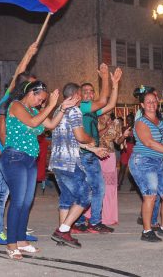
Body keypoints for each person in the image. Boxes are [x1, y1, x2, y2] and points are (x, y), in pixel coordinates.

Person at [0, 80, 76, 260]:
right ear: (31, 93)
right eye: (40, 99)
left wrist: (62, 108)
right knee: (17, 202)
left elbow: (50, 125)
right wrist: (50, 105)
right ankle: (11, 244)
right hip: (14, 157)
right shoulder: (16, 106)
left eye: (43, 101)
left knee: (27, 203)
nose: (40, 103)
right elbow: (34, 123)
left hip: (29, 160)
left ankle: (21, 240)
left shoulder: (35, 111)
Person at [0, 42, 39, 245]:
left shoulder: (21, 104)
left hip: (17, 155)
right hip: (7, 154)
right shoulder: (8, 103)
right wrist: (27, 53)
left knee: (19, 197)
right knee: (4, 194)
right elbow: (2, 131)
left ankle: (17, 231)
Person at [49, 82, 107, 248]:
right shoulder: (74, 110)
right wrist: (92, 139)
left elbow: (72, 139)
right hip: (70, 162)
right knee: (85, 195)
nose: (82, 99)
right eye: (81, 95)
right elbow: (81, 137)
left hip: (57, 162)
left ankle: (63, 234)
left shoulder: (58, 111)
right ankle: (64, 229)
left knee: (67, 198)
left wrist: (93, 149)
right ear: (76, 96)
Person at [129, 86, 163, 242]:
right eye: (148, 102)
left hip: (160, 162)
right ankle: (146, 231)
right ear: (142, 105)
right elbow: (149, 143)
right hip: (143, 162)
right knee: (150, 196)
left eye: (154, 101)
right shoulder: (140, 122)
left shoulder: (161, 119)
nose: (152, 104)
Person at [73, 63, 121, 234]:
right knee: (90, 188)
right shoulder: (81, 107)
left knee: (93, 188)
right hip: (82, 154)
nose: (89, 93)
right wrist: (105, 76)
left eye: (91, 91)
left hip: (91, 155)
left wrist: (115, 84)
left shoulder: (91, 111)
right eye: (85, 91)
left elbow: (110, 103)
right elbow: (103, 100)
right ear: (79, 94)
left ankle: (89, 222)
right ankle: (84, 222)